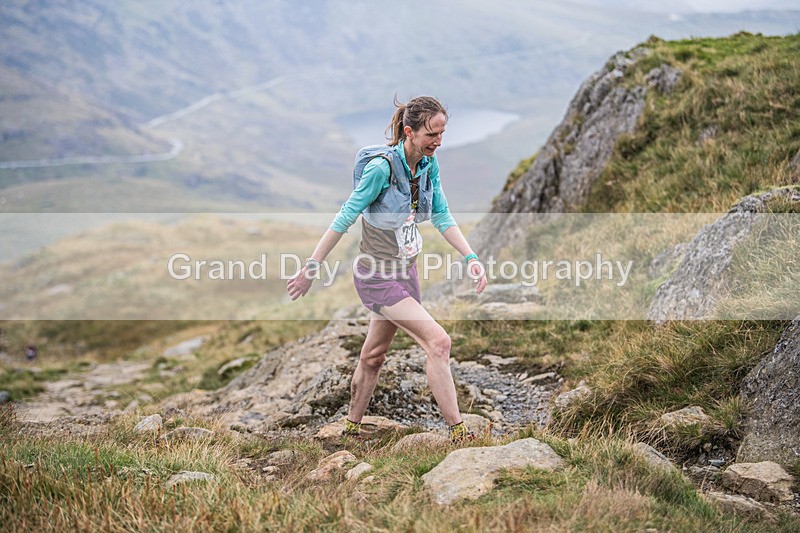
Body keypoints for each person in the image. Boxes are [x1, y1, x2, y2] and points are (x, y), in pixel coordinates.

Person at [287, 96, 487, 443]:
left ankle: (351, 428)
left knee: (374, 356)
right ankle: (459, 433)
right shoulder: (380, 169)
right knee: (438, 342)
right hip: (375, 275)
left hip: (405, 272)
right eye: (431, 135)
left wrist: (471, 257)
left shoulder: (427, 165)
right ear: (409, 132)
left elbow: (441, 214)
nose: (438, 142)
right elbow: (345, 216)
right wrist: (311, 267)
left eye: (442, 134)